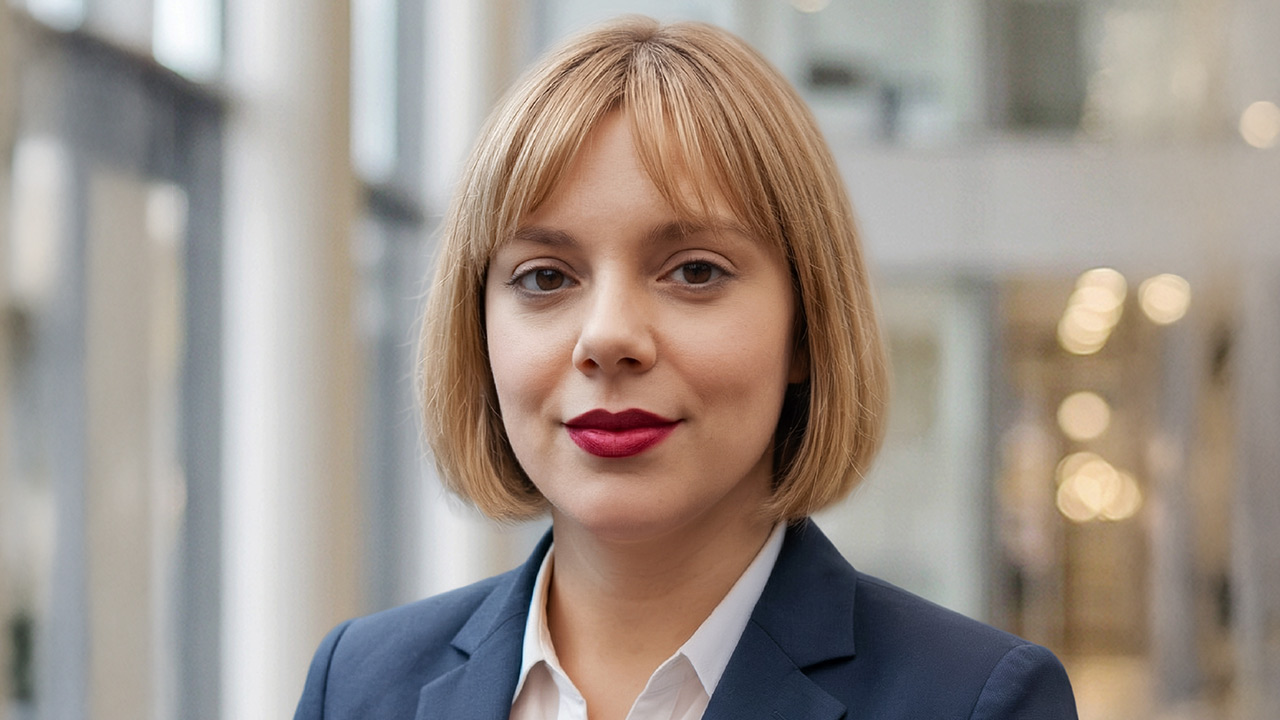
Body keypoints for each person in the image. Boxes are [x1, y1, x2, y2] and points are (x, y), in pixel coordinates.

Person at [294, 16, 1078, 720]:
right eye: (544, 277)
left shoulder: (976, 703)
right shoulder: (360, 686)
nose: (607, 339)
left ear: (805, 327)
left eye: (694, 271)